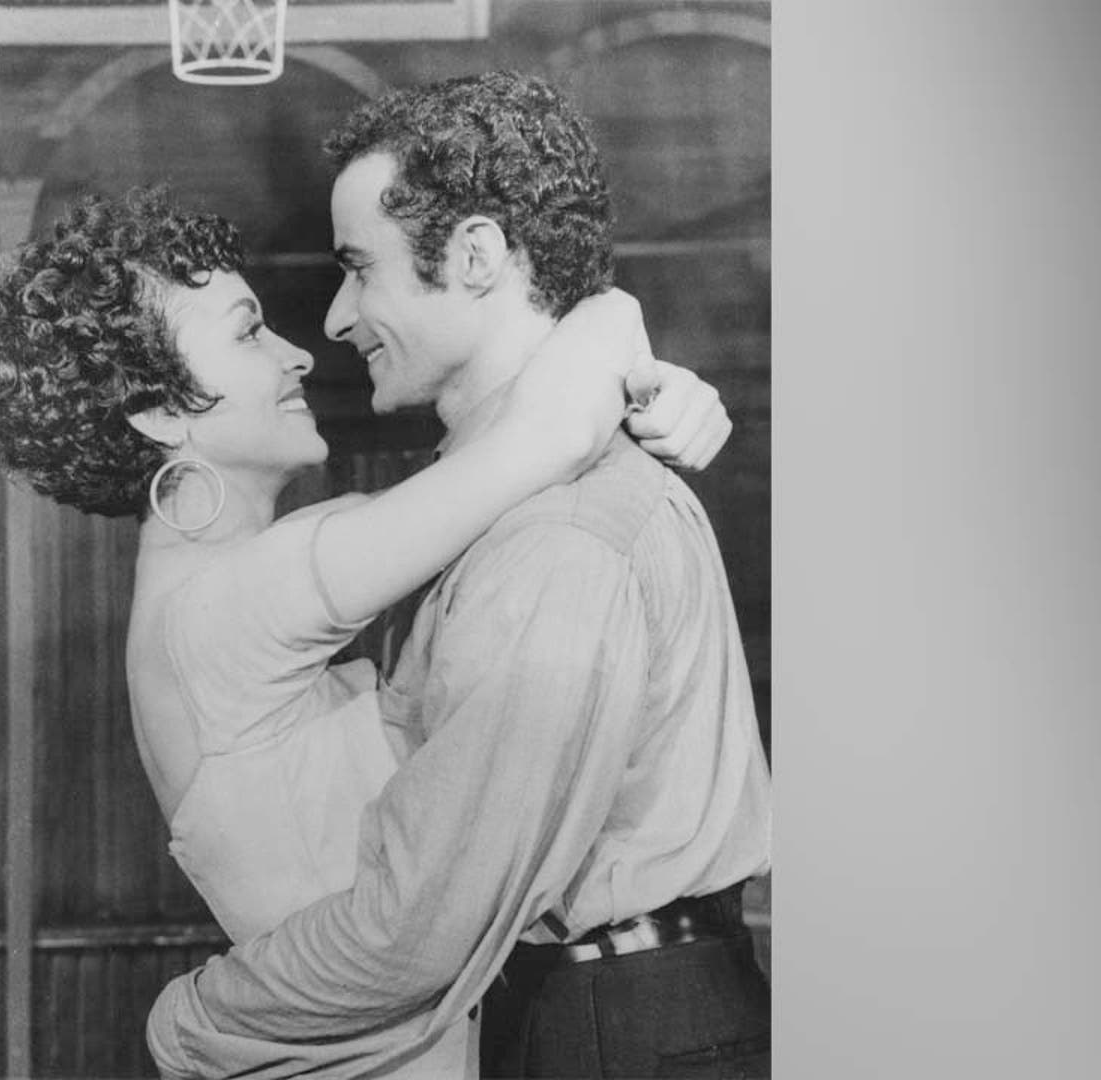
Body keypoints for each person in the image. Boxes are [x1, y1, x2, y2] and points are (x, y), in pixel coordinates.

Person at [0, 187, 733, 1078]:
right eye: (249, 331)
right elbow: (545, 435)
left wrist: (659, 391)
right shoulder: (233, 605)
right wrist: (617, 315)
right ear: (157, 414)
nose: (299, 353)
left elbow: (507, 469)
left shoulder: (224, 587)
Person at [146, 71, 773, 1079]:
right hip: (603, 1017)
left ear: (477, 256)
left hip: (616, 1032)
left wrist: (187, 1020)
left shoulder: (553, 540)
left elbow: (421, 922)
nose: (341, 317)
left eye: (362, 269)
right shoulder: (527, 506)